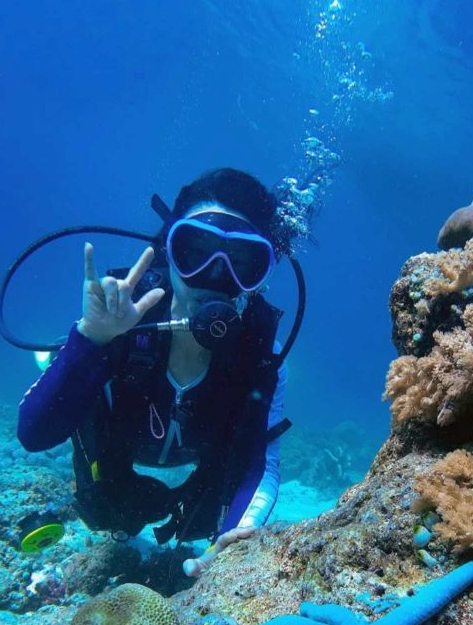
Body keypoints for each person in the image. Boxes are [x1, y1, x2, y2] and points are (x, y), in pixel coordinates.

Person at [17, 169, 293, 573]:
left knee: (209, 513)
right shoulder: (121, 320)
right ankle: (56, 356)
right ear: (168, 250)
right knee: (108, 507)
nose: (215, 276)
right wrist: (91, 339)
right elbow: (34, 433)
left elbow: (259, 462)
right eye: (195, 251)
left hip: (199, 479)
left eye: (241, 262)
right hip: (116, 463)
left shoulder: (262, 356)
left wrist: (235, 540)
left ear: (258, 277)